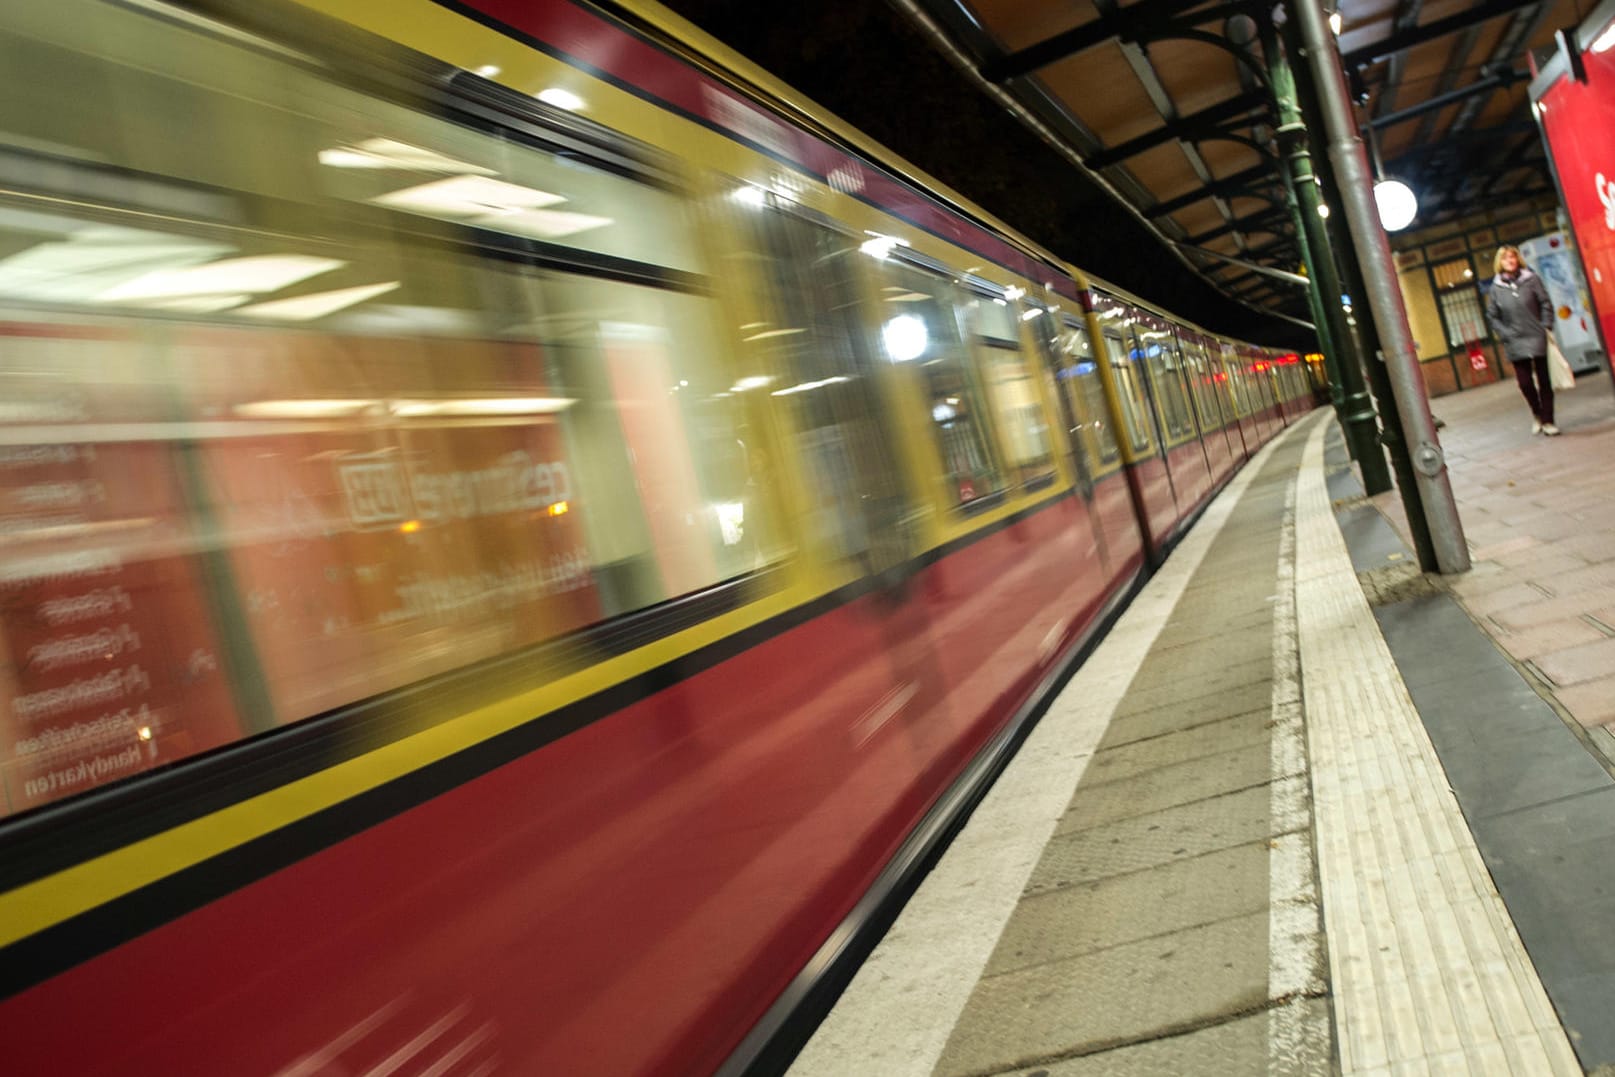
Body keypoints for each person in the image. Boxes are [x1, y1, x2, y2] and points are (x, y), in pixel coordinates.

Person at [1485, 244, 1559, 436]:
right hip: (1514, 339)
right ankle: (1537, 414)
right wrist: (1505, 333)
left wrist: (1546, 325)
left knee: (1544, 380)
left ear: (1518, 260)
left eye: (1513, 257)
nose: (1510, 261)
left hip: (1536, 334)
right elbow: (1492, 315)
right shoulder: (1496, 288)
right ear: (1499, 263)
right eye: (1505, 258)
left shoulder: (1531, 279)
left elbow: (1545, 302)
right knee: (1525, 383)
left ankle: (1549, 421)